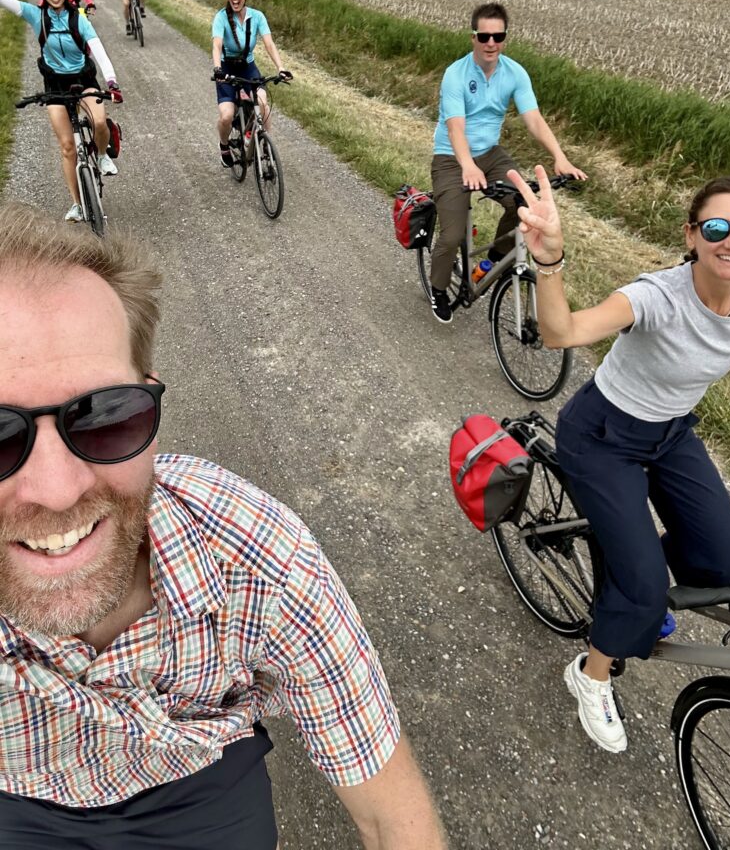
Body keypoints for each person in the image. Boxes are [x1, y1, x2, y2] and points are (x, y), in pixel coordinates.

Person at [0, 203, 447, 850]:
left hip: (196, 782)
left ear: (151, 408)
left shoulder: (258, 558)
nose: (57, 488)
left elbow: (391, 816)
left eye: (105, 417)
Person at [509, 166, 730, 753]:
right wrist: (550, 260)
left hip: (672, 433)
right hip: (602, 433)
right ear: (691, 236)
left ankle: (631, 579)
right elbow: (562, 332)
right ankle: (592, 673)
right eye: (717, 226)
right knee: (644, 587)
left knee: (725, 564)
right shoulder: (656, 296)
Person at [429, 1, 587, 324]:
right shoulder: (455, 75)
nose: (491, 43)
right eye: (484, 36)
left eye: (497, 37)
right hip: (451, 156)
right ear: (472, 37)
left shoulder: (515, 73)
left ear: (504, 38)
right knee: (452, 234)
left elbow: (534, 120)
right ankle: (438, 288)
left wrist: (560, 157)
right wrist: (467, 165)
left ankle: (494, 261)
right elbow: (455, 127)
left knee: (524, 205)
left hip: (490, 154)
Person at [0, 0, 123, 222]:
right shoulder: (37, 16)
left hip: (83, 80)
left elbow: (98, 50)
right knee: (68, 147)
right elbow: (5, 0)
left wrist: (111, 82)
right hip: (54, 86)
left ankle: (101, 156)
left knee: (99, 121)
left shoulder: (79, 18)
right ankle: (78, 204)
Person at [212, 0, 292, 169]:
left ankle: (264, 144)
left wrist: (281, 67)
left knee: (263, 106)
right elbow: (216, 45)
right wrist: (217, 68)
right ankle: (224, 147)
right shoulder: (221, 17)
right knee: (227, 116)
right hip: (227, 68)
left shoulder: (257, 17)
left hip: (248, 68)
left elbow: (269, 44)